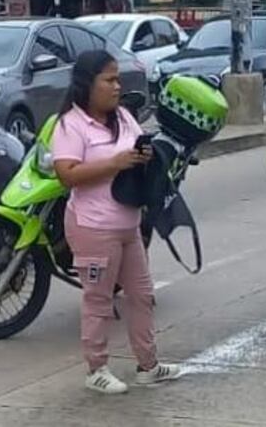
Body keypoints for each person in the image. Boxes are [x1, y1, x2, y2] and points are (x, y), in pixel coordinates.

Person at [51, 50, 183, 395]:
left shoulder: (124, 117)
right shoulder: (70, 125)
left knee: (141, 295)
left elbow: (135, 152)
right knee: (99, 299)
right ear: (86, 85)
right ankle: (96, 369)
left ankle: (148, 365)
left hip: (128, 225)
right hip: (93, 227)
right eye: (108, 80)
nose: (116, 86)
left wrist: (144, 156)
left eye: (117, 79)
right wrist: (116, 162)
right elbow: (67, 175)